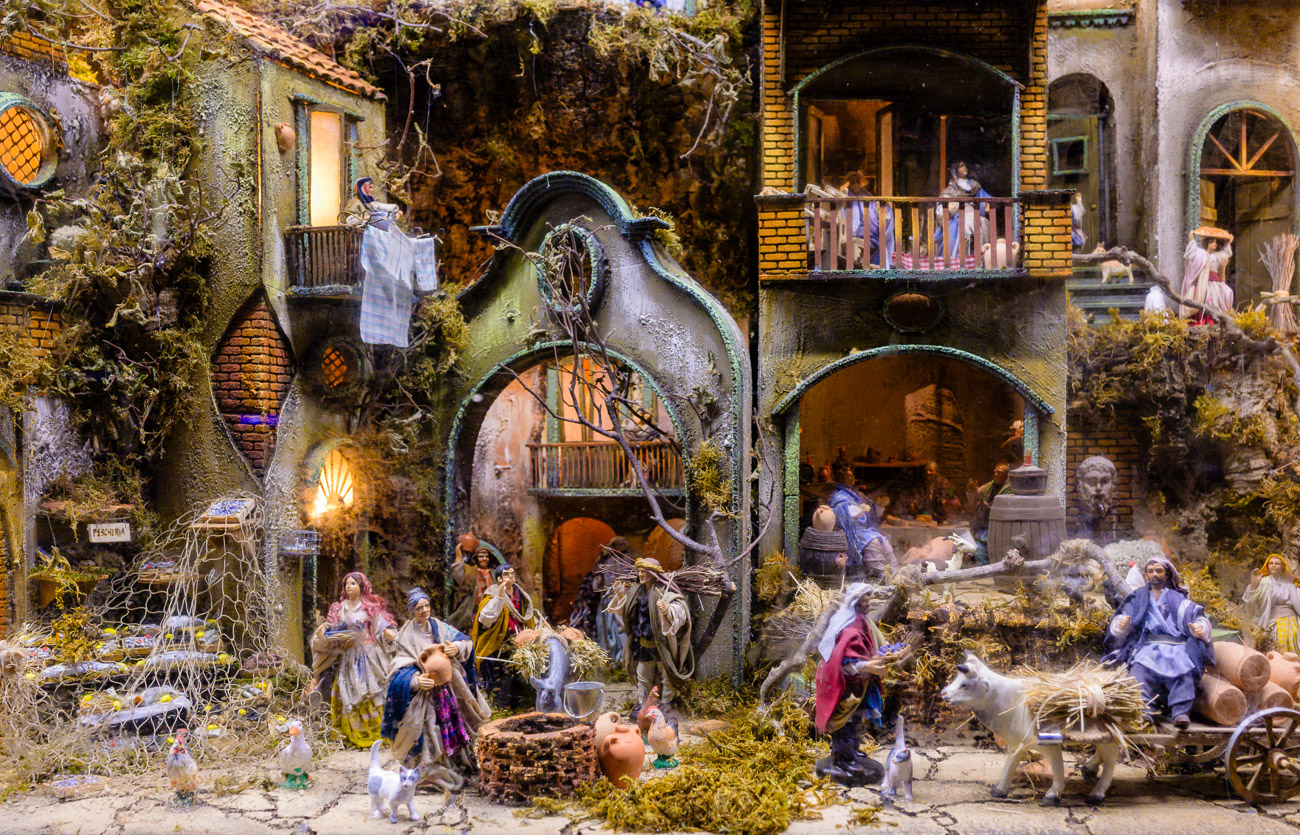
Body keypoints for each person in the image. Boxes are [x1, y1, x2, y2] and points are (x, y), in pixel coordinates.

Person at [382, 588, 489, 788]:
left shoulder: (439, 627)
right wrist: (415, 680)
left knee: (453, 725)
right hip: (425, 696)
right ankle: (430, 766)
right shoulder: (407, 635)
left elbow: (464, 641)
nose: (424, 610)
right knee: (431, 729)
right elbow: (398, 667)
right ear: (412, 611)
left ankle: (454, 763)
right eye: (419, 608)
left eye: (426, 606)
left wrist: (457, 647)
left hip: (446, 690)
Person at [1103, 556, 1214, 727]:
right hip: (1148, 647)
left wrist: (1200, 627)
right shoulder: (1139, 597)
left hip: (1176, 647)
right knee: (1139, 674)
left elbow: (1196, 615)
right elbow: (1124, 614)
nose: (1154, 574)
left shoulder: (1178, 597)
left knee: (1183, 674)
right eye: (1151, 571)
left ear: (1167, 574)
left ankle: (1180, 712)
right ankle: (1144, 710)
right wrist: (1122, 624)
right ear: (1146, 574)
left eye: (1159, 571)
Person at [814, 583, 895, 786]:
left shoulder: (863, 622)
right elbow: (845, 663)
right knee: (846, 723)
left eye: (869, 600)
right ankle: (843, 760)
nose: (867, 604)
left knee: (857, 721)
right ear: (855, 602)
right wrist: (869, 667)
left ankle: (850, 751)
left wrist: (885, 654)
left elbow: (873, 645)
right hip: (844, 688)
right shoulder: (849, 628)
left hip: (859, 686)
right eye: (863, 601)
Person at [311, 572, 396, 747]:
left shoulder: (370, 607)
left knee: (371, 690)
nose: (349, 587)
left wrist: (387, 633)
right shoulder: (340, 607)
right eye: (347, 584)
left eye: (353, 584)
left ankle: (376, 729)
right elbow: (334, 628)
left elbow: (380, 627)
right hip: (348, 655)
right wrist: (325, 631)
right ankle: (350, 730)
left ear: (362, 586)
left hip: (368, 654)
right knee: (347, 689)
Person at [607, 557, 693, 709]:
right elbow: (626, 610)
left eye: (644, 571)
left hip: (661, 646)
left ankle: (667, 706)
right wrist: (621, 595)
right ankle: (644, 705)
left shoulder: (663, 591)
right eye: (639, 571)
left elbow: (680, 608)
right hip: (643, 645)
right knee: (643, 677)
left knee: (667, 677)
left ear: (653, 573)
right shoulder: (636, 591)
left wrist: (667, 610)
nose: (640, 574)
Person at [472, 564, 538, 706]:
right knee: (503, 678)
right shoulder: (492, 594)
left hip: (520, 640)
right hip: (500, 641)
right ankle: (502, 704)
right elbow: (485, 618)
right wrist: (500, 596)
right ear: (499, 579)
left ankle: (525, 701)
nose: (511, 577)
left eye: (512, 573)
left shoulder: (520, 594)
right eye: (507, 574)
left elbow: (527, 615)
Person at [828, 464, 897, 579]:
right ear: (841, 478)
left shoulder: (858, 494)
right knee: (873, 542)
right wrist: (860, 509)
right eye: (848, 476)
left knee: (884, 542)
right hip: (853, 532)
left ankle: (895, 571)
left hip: (866, 530)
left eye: (852, 476)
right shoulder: (839, 496)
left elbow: (872, 514)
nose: (852, 478)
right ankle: (883, 574)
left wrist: (879, 506)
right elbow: (844, 514)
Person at [568, 537, 628, 664]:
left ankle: (622, 659)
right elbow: (595, 585)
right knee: (605, 629)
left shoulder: (627, 563)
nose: (621, 548)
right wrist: (599, 582)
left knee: (621, 630)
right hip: (607, 602)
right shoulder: (604, 563)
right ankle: (608, 659)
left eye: (623, 546)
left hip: (622, 601)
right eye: (618, 545)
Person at [934, 161, 992, 261]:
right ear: (955, 170)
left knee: (983, 222)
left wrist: (986, 205)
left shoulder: (974, 186)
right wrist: (950, 207)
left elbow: (984, 199)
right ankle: (960, 258)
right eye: (961, 166)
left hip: (974, 213)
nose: (964, 167)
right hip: (959, 215)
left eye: (965, 165)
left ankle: (981, 257)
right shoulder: (950, 190)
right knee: (963, 224)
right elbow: (942, 207)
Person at [1243, 554, 1300, 655]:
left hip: (1290, 619)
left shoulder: (1289, 583)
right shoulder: (1264, 582)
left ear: (1283, 567)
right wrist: (1254, 584)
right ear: (1267, 566)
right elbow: (1251, 600)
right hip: (1270, 619)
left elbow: (1297, 601)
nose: (1273, 565)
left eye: (1277, 564)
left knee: (1294, 635)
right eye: (1271, 563)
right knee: (1274, 641)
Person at [1178, 228, 1234, 322]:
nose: (1215, 244)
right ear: (1207, 244)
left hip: (1215, 284)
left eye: (1215, 242)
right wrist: (1192, 240)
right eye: (1212, 242)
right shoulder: (1201, 255)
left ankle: (1217, 319)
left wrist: (1228, 242)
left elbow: (1226, 254)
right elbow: (1192, 254)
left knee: (1225, 294)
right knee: (1204, 300)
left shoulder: (1217, 256)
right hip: (1204, 284)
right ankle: (1204, 319)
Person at [843, 172, 895, 268]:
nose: (855, 185)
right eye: (852, 182)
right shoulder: (846, 198)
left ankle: (882, 266)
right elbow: (845, 216)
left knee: (883, 240)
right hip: (854, 232)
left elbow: (875, 215)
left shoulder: (868, 197)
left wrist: (878, 212)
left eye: (857, 182)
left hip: (870, 232)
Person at [449, 542, 497, 632]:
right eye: (481, 556)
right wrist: (458, 553)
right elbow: (458, 571)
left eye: (486, 556)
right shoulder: (470, 571)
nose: (484, 559)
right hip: (474, 609)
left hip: (492, 610)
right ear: (476, 558)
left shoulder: (493, 573)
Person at [970, 464, 1010, 564]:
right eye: (994, 472)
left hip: (1001, 529)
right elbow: (974, 503)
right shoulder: (986, 488)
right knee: (980, 553)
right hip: (984, 528)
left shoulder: (1011, 488)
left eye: (999, 472)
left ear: (1007, 474)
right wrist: (971, 491)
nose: (995, 474)